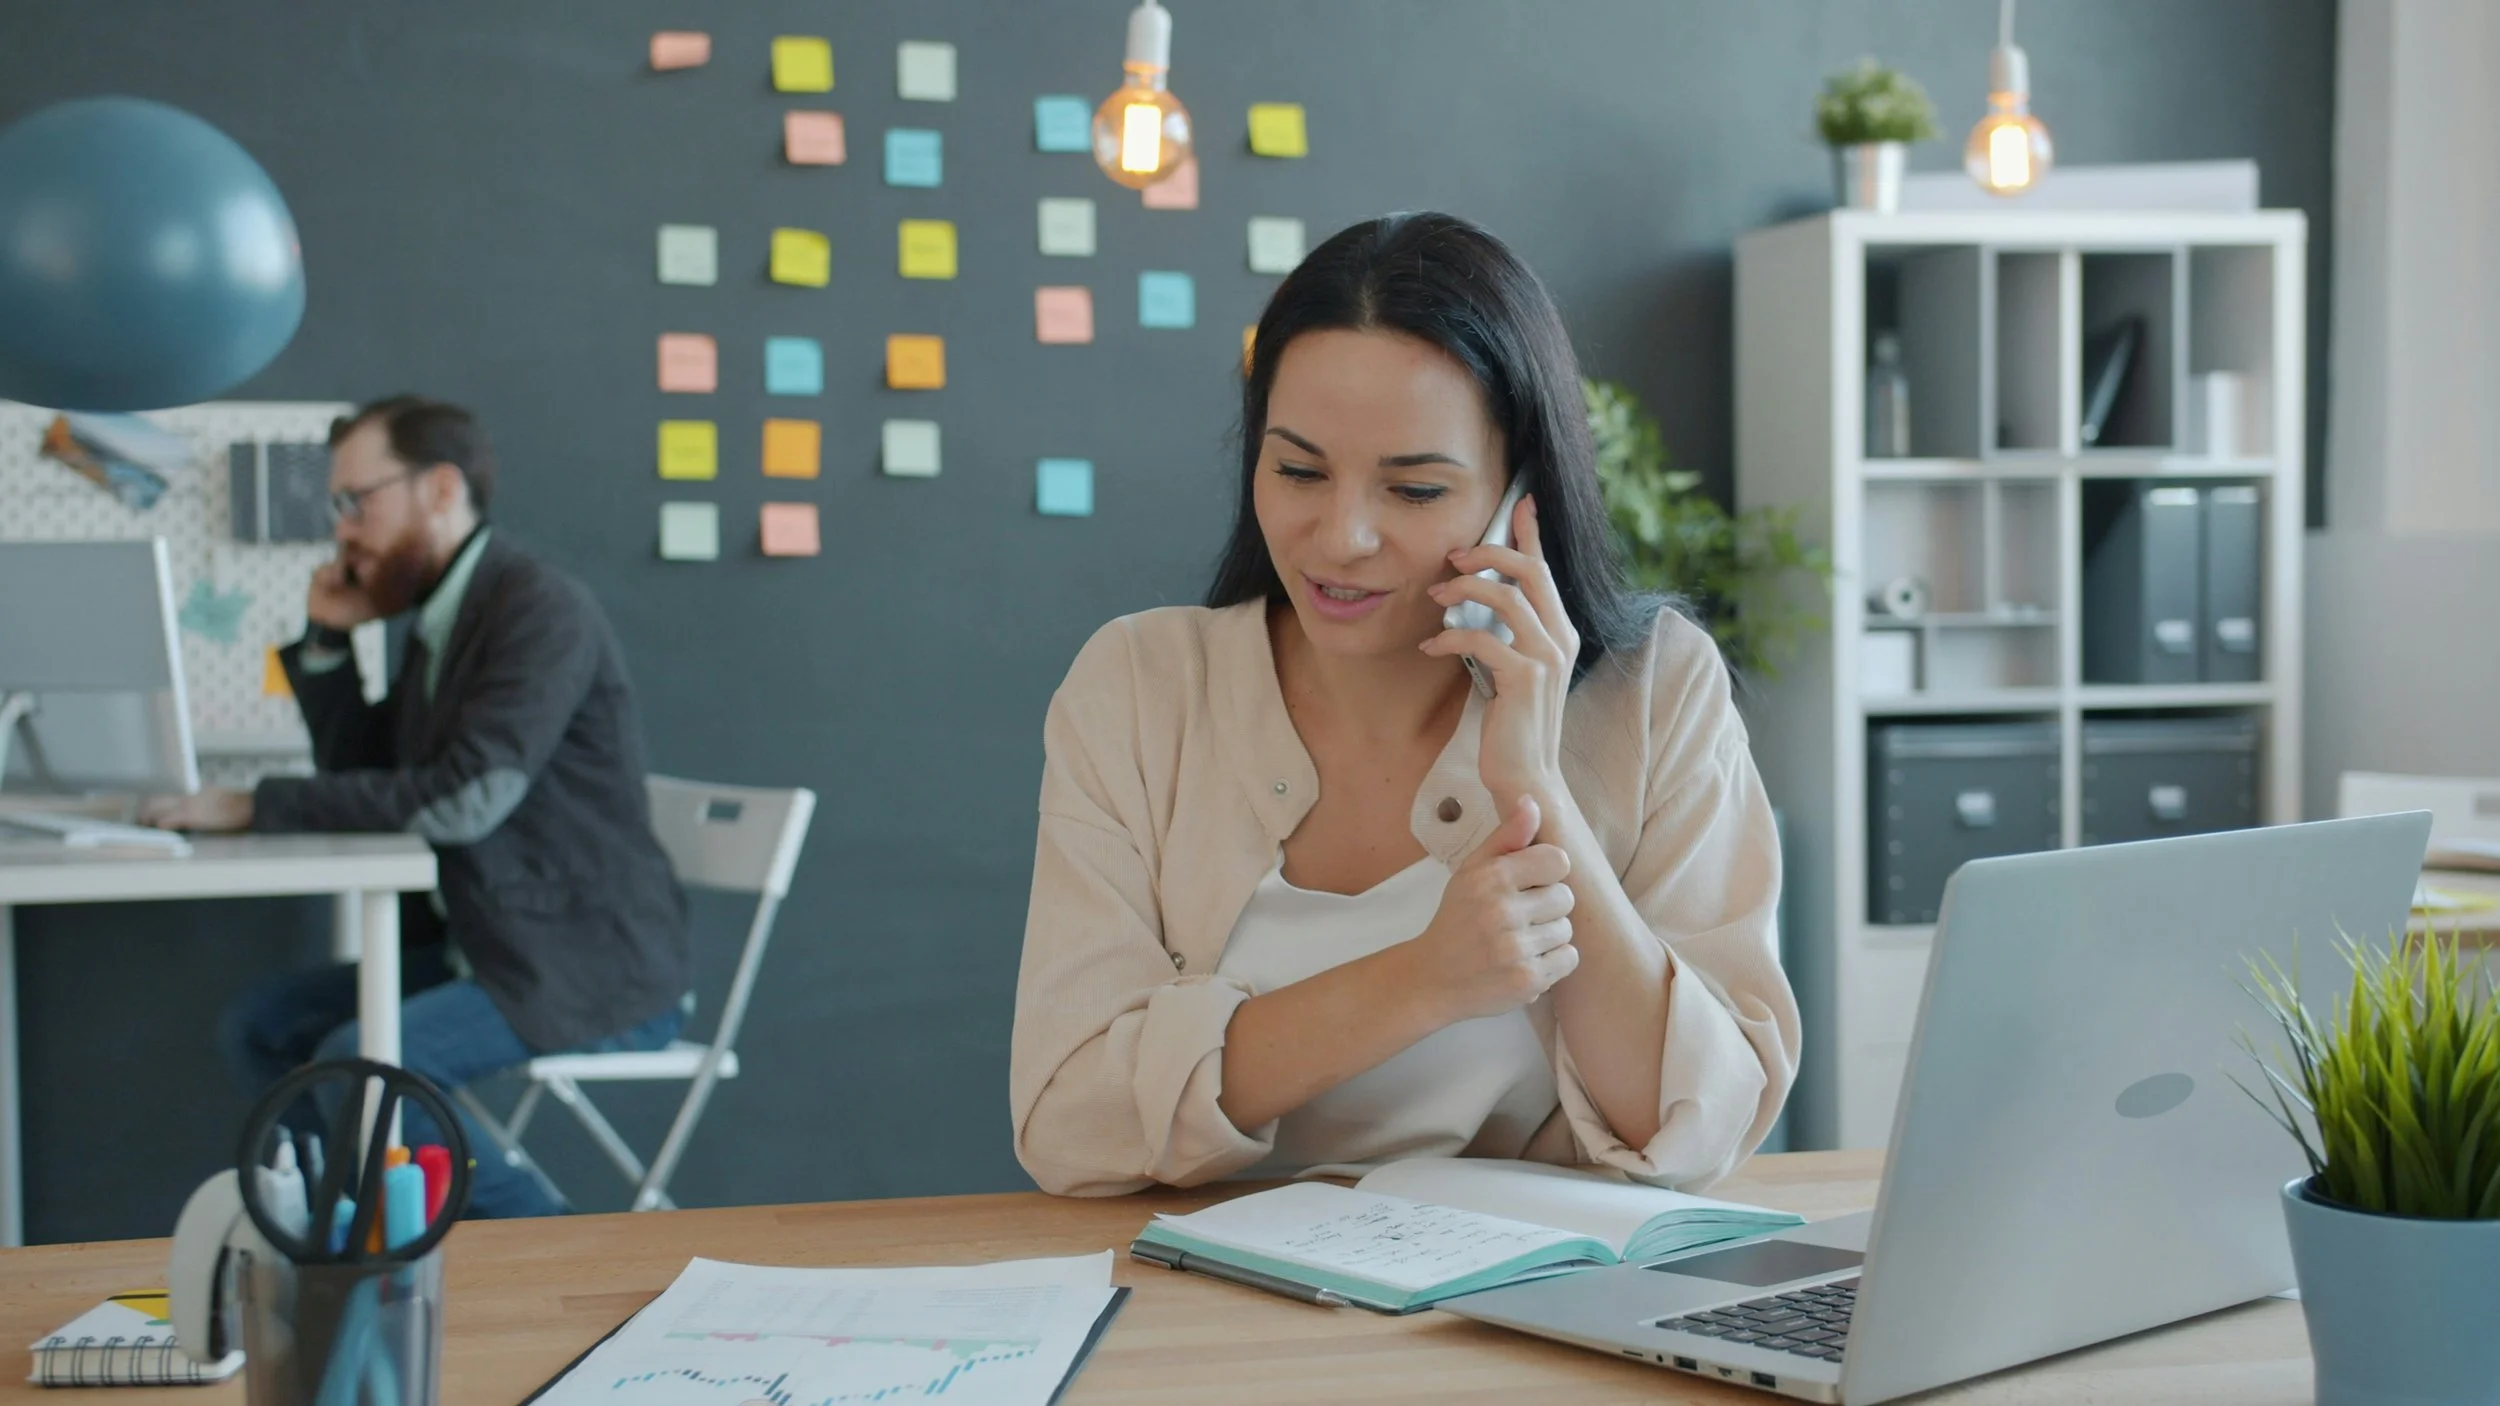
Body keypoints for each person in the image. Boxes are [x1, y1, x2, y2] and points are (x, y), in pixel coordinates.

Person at [1010, 213, 1800, 1197]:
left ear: (1521, 492)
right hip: (1190, 1302)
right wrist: (1419, 979)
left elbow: (1698, 1124)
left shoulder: (1655, 691)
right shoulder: (1137, 686)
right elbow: (1069, 1119)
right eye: (1297, 470)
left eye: (1415, 489)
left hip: (1522, 1301)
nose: (1340, 536)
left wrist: (1533, 779)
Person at [142, 396, 689, 1218]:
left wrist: (255, 805)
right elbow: (372, 777)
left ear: (438, 489)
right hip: (492, 944)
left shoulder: (537, 609)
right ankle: (345, 1236)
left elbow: (466, 798)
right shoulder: (444, 618)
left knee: (361, 1060)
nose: (344, 530)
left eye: (356, 501)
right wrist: (327, 644)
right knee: (262, 1026)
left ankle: (544, 1240)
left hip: (586, 965)